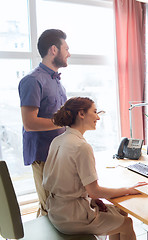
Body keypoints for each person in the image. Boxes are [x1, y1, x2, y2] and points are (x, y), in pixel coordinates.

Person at [43, 97, 147, 239]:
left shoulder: (58, 140)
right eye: (95, 112)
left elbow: (71, 184)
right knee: (127, 223)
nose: (98, 117)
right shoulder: (81, 147)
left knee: (120, 212)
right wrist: (128, 190)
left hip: (57, 210)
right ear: (81, 114)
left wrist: (91, 199)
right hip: (72, 217)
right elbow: (95, 191)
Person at [18, 29, 70, 216]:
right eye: (66, 48)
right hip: (43, 155)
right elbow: (29, 123)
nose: (69, 54)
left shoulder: (57, 82)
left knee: (58, 208)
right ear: (54, 50)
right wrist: (65, 121)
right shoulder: (32, 81)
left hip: (59, 153)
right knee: (49, 208)